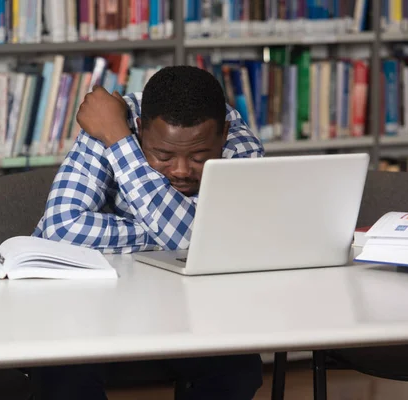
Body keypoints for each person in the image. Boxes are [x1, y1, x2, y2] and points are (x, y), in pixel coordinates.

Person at [32, 65, 265, 400]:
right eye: (163, 156)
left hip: (192, 307)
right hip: (94, 304)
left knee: (238, 369)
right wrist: (197, 227)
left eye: (199, 157)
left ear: (224, 134)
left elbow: (192, 239)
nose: (182, 171)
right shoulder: (109, 121)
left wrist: (120, 144)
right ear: (140, 129)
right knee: (62, 372)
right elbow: (61, 226)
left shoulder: (241, 146)